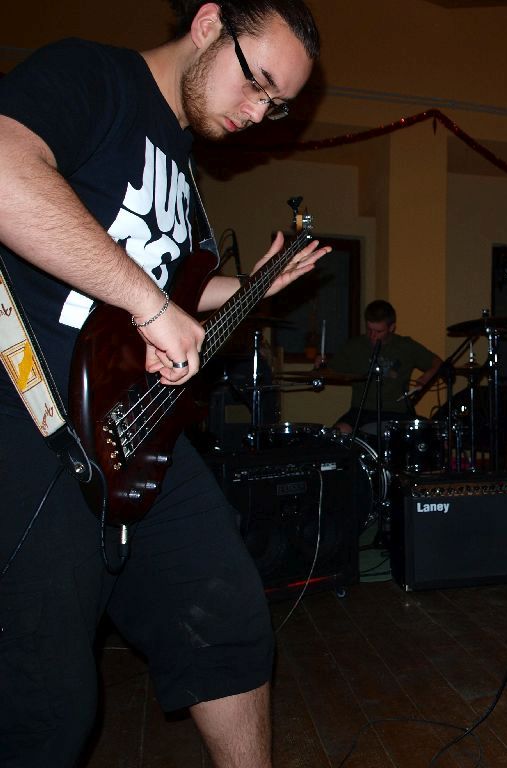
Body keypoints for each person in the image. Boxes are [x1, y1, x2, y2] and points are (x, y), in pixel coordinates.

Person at [0, 2, 329, 766]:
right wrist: (149, 306)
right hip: (36, 420)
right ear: (210, 23)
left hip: (137, 431)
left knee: (231, 625)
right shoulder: (94, 75)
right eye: (257, 82)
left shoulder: (182, 168)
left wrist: (254, 286)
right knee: (47, 707)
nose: (259, 112)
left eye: (277, 105)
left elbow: (172, 286)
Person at [327, 299, 442, 434]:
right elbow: (329, 371)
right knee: (338, 433)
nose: (372, 336)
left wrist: (426, 376)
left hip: (397, 413)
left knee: (431, 432)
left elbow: (438, 363)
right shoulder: (354, 346)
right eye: (369, 330)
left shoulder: (406, 346)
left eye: (378, 331)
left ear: (392, 328)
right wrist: (322, 364)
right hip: (361, 412)